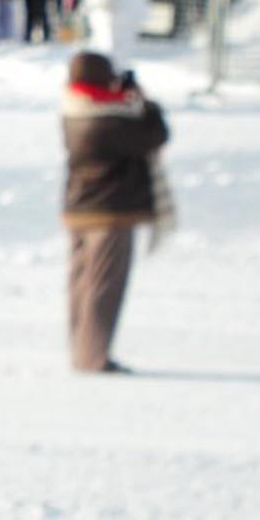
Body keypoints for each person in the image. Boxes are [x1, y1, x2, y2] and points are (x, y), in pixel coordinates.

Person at [59, 53, 169, 374]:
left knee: (82, 283)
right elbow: (154, 133)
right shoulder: (106, 119)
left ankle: (83, 350)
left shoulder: (75, 110)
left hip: (81, 208)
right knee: (103, 285)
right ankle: (93, 357)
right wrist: (141, 99)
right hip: (108, 212)